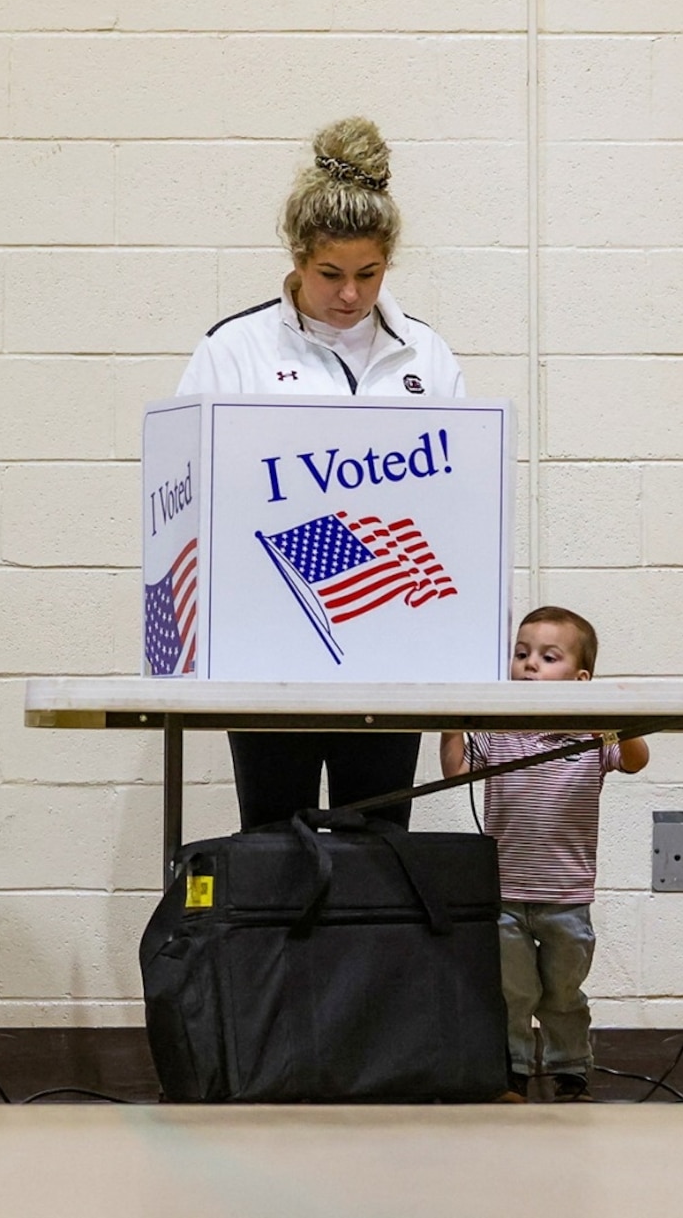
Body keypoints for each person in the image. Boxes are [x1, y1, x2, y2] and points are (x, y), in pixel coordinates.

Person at [178, 117, 467, 830]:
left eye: (368, 275)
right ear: (298, 259)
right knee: (278, 843)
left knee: (380, 847)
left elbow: (460, 505)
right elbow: (191, 497)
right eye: (331, 274)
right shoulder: (234, 349)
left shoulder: (426, 356)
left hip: (393, 646)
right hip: (270, 646)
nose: (350, 295)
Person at [439, 607, 648, 1102]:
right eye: (521, 653)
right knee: (512, 993)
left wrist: (612, 718)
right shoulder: (498, 734)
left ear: (580, 679)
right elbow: (456, 773)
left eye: (548, 657)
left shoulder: (592, 739)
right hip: (506, 894)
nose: (530, 664)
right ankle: (509, 1071)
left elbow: (637, 760)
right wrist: (449, 723)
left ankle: (569, 1069)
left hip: (566, 898)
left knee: (562, 995)